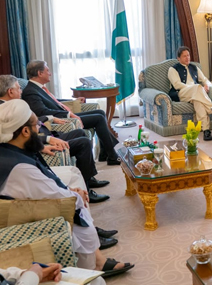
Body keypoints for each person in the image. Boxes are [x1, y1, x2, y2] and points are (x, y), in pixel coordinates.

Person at [0, 100, 132, 277]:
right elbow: (60, 198)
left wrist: (71, 191)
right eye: (37, 125)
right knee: (77, 204)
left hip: (26, 202)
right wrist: (74, 194)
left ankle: (97, 259)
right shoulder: (20, 169)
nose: (40, 129)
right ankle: (92, 267)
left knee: (75, 183)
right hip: (22, 216)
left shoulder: (9, 150)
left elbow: (45, 185)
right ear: (24, 131)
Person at [0, 75, 109, 203]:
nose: (21, 91)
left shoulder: (16, 107)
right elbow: (15, 136)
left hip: (45, 137)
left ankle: (89, 178)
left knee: (80, 133)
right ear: (10, 91)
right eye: (19, 88)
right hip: (41, 141)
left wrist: (49, 119)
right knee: (83, 143)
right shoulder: (6, 111)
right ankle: (87, 190)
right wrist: (44, 141)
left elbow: (27, 128)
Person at [20, 61, 120, 165]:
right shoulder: (30, 91)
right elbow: (42, 112)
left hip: (63, 114)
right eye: (47, 70)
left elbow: (54, 100)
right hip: (62, 119)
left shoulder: (38, 88)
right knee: (99, 118)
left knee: (100, 112)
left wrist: (74, 101)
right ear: (40, 73)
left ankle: (104, 153)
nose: (50, 73)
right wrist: (68, 115)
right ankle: (112, 155)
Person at [168, 46, 212, 141]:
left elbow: (205, 79)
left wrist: (207, 85)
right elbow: (177, 85)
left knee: (198, 102)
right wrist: (195, 88)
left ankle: (206, 130)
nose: (187, 58)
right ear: (178, 58)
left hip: (196, 93)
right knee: (197, 87)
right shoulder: (173, 69)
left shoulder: (194, 67)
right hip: (181, 92)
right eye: (184, 56)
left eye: (188, 55)